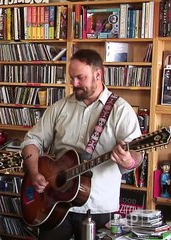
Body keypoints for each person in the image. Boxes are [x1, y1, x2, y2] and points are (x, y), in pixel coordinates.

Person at [21, 49, 143, 240]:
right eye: (71, 78)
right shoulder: (59, 107)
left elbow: (137, 154)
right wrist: (35, 172)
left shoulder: (121, 111)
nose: (74, 84)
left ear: (98, 74)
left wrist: (128, 161)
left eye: (80, 78)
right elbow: (31, 140)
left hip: (98, 207)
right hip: (54, 203)